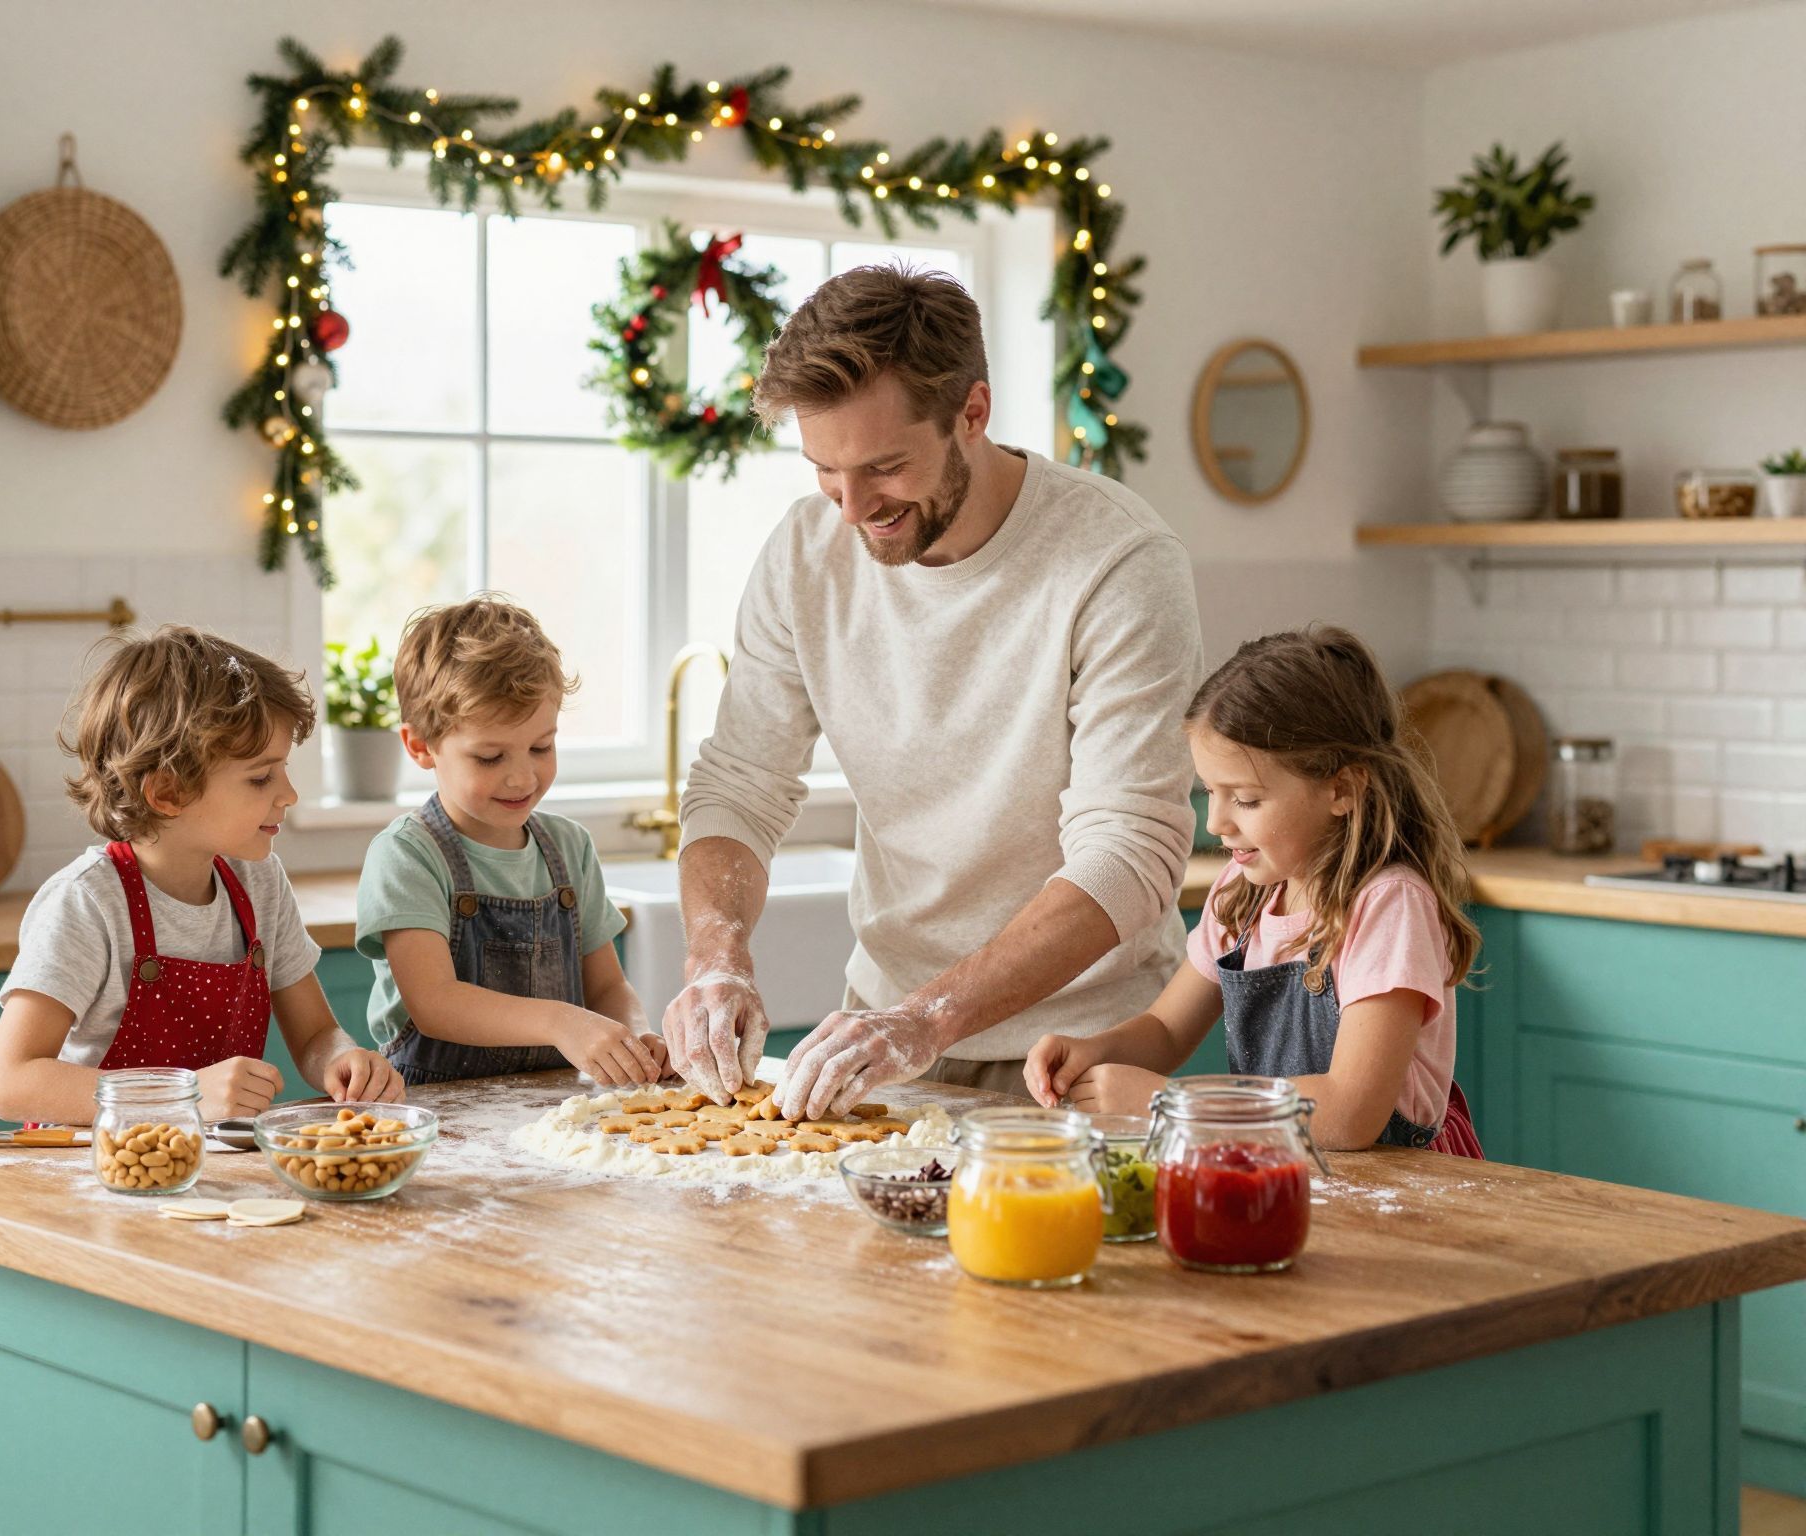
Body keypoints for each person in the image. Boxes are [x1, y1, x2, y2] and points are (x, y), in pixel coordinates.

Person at [663, 264, 1202, 1120]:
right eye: (824, 472)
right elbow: (739, 786)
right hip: (890, 1052)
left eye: (884, 468)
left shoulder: (1118, 562)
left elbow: (1128, 853)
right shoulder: (807, 555)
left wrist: (926, 1017)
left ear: (972, 413)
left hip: (1085, 1059)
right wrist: (714, 957)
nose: (851, 509)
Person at [1024, 626, 1485, 1155]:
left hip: (1407, 1188)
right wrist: (1092, 1051)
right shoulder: (1244, 894)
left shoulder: (1388, 906)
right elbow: (1167, 1030)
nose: (1216, 822)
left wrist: (1172, 1103)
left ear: (1340, 789)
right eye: (1210, 793)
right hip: (1288, 1171)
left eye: (1244, 799)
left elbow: (1349, 1112)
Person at [0, 626, 402, 1125]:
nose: (288, 793)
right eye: (260, 777)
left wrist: (341, 1059)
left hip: (207, 1168)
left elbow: (314, 1034)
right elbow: (11, 1082)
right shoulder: (87, 903)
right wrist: (182, 1095)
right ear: (167, 792)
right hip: (96, 1175)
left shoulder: (259, 882)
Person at [356, 595, 663, 1087]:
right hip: (441, 1112)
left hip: (557, 1109)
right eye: (490, 757)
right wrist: (562, 1021)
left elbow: (606, 985)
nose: (522, 777)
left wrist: (635, 1037)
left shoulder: (569, 848)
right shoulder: (407, 856)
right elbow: (435, 1003)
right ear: (420, 747)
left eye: (541, 746)